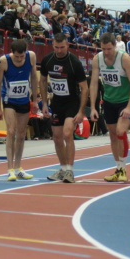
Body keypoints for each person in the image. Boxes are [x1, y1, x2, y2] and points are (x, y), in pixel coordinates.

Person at [90, 32, 130, 182]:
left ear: (115, 46)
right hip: (109, 101)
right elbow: (93, 83)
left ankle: (123, 168)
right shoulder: (97, 59)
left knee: (120, 131)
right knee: (112, 135)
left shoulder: (124, 58)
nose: (106, 52)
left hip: (124, 101)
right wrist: (93, 107)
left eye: (109, 49)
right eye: (103, 49)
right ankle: (118, 169)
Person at [39, 33, 88, 183]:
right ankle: (63, 168)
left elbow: (84, 88)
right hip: (57, 103)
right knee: (57, 138)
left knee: (67, 134)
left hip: (72, 103)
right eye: (56, 47)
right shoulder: (48, 60)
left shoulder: (74, 62)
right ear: (52, 46)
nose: (59, 50)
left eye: (62, 47)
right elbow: (42, 81)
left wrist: (81, 111)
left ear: (67, 45)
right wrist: (45, 104)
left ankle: (70, 171)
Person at [0, 40, 38, 180]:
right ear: (12, 52)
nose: (19, 59)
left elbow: (34, 77)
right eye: (17, 57)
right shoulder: (4, 61)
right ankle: (9, 169)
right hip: (9, 101)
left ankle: (18, 167)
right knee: (11, 132)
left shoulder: (31, 56)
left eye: (22, 57)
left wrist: (35, 100)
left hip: (24, 100)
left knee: (20, 134)